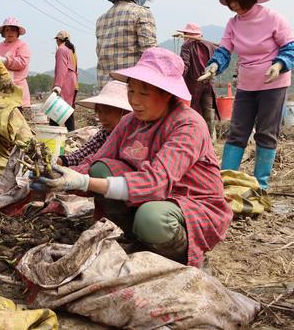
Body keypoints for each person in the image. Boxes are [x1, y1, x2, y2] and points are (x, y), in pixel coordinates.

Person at [34, 48, 232, 268]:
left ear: (167, 94)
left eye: (144, 93)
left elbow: (156, 183)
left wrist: (85, 182)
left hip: (190, 201)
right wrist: (57, 176)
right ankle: (135, 238)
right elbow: (94, 162)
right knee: (100, 169)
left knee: (151, 219)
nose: (135, 101)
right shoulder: (129, 122)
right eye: (131, 91)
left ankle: (180, 255)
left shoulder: (187, 124)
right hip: (148, 197)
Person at [198, 0, 294, 189]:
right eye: (231, 3)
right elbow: (224, 50)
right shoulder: (233, 24)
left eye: (238, 2)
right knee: (237, 131)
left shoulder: (274, 18)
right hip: (246, 84)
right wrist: (213, 66)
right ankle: (226, 182)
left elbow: (290, 47)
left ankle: (261, 185)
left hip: (274, 84)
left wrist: (278, 65)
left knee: (266, 132)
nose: (234, 7)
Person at [96, 0, 157, 88]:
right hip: (129, 92)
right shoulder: (141, 13)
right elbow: (150, 55)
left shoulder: (101, 19)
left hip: (105, 93)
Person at [58, 80, 132, 167]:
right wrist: (59, 161)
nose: (102, 118)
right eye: (99, 112)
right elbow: (81, 154)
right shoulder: (104, 133)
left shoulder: (133, 137)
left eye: (107, 112)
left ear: (124, 113)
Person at [177, 23, 218, 138]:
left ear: (188, 35)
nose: (184, 37)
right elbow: (223, 50)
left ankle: (194, 137)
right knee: (209, 112)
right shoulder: (210, 45)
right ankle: (210, 139)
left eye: (185, 34)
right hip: (209, 83)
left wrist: (176, 78)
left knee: (193, 112)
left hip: (193, 86)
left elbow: (184, 66)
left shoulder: (186, 46)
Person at [0, 17, 32, 108]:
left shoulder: (22, 46)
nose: (10, 32)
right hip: (0, 91)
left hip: (17, 89)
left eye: (13, 30)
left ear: (17, 32)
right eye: (7, 30)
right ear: (3, 32)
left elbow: (22, 62)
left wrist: (5, 61)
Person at [52, 30, 79, 131]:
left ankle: (53, 135)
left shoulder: (61, 49)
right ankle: (72, 136)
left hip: (65, 82)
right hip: (73, 82)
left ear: (58, 40)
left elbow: (61, 69)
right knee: (68, 111)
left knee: (55, 111)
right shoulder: (72, 50)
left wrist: (58, 85)